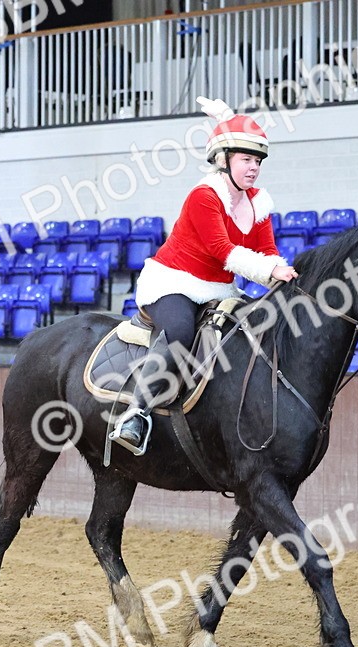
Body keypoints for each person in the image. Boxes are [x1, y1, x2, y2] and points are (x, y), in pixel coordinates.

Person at [111, 95, 298, 456]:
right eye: (246, 160)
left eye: (258, 161)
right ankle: (136, 413)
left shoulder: (259, 203)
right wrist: (269, 270)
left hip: (218, 289)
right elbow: (222, 250)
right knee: (180, 332)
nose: (254, 168)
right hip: (173, 281)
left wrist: (283, 275)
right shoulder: (203, 196)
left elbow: (267, 250)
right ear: (223, 160)